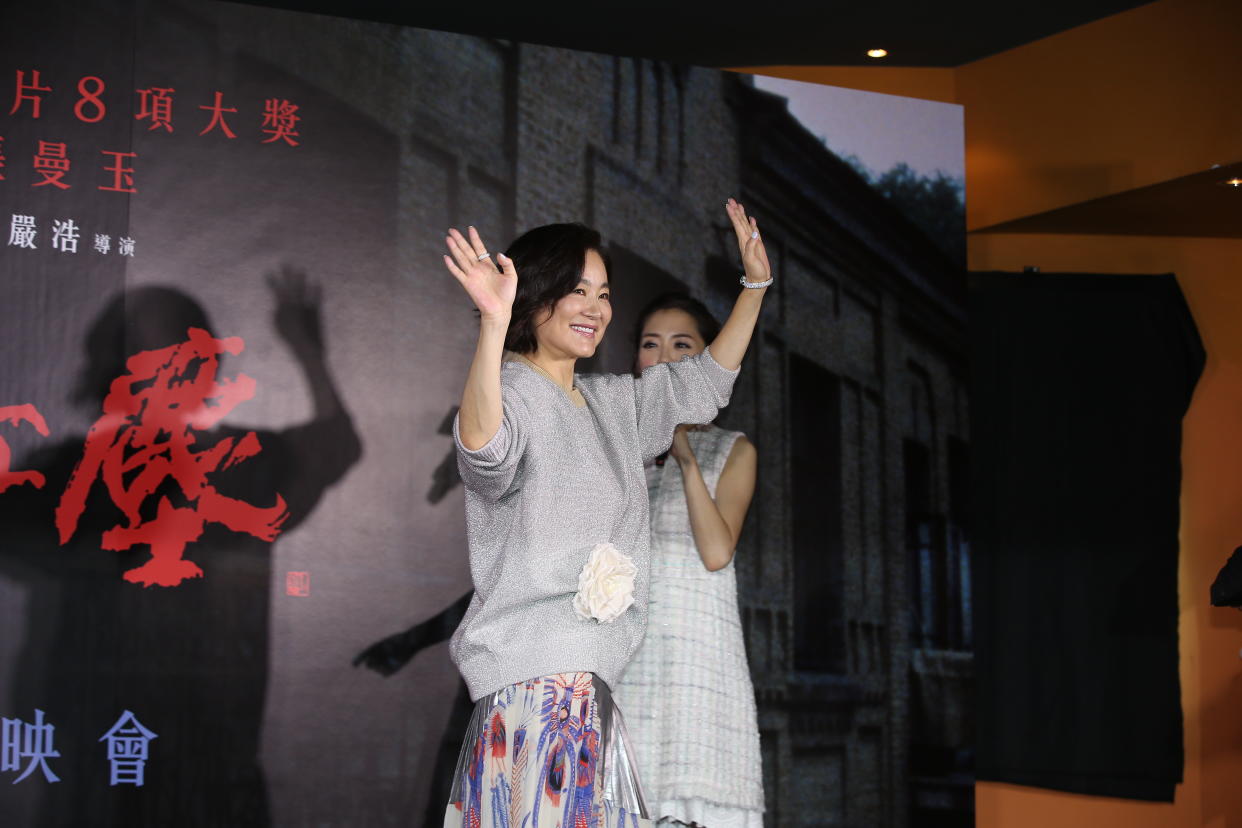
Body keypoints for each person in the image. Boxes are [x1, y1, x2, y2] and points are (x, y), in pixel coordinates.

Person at [440, 198, 772, 827]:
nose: (595, 306)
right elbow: (484, 453)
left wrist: (755, 286)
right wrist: (491, 325)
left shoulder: (611, 405)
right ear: (533, 297)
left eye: (603, 292)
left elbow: (700, 383)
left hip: (588, 686)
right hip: (536, 690)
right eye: (576, 290)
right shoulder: (510, 389)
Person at [615, 293, 764, 828]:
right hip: (624, 661)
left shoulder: (734, 450)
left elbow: (717, 551)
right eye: (651, 345)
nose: (665, 357)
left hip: (696, 663)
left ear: (708, 356)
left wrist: (685, 458)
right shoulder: (617, 448)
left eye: (683, 345)